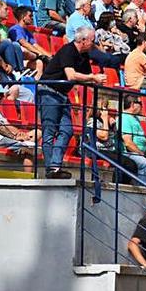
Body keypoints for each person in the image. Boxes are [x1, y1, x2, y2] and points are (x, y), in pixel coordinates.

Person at [38, 27, 106, 178]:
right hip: (49, 91)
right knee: (49, 131)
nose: (94, 44)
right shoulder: (68, 50)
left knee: (67, 130)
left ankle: (55, 166)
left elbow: (89, 76)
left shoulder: (84, 55)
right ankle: (51, 168)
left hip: (62, 94)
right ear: (83, 41)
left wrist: (96, 80)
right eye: (92, 40)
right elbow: (71, 75)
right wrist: (93, 78)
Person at [0, 89, 35, 172]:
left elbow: (8, 125)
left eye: (3, 94)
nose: (2, 96)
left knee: (36, 134)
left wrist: (20, 133)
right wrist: (14, 137)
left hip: (3, 138)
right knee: (28, 149)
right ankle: (29, 180)